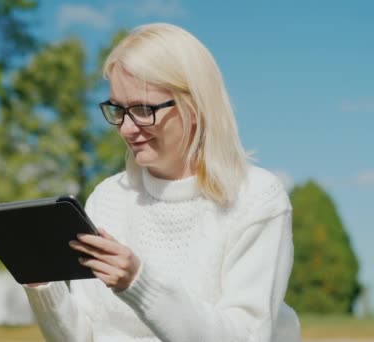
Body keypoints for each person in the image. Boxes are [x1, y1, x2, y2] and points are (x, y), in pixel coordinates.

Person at [23, 23, 301, 342]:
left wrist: (139, 285)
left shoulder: (256, 198)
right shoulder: (108, 197)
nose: (126, 128)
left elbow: (247, 336)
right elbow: (84, 336)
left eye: (143, 109)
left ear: (194, 106)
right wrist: (40, 282)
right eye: (118, 109)